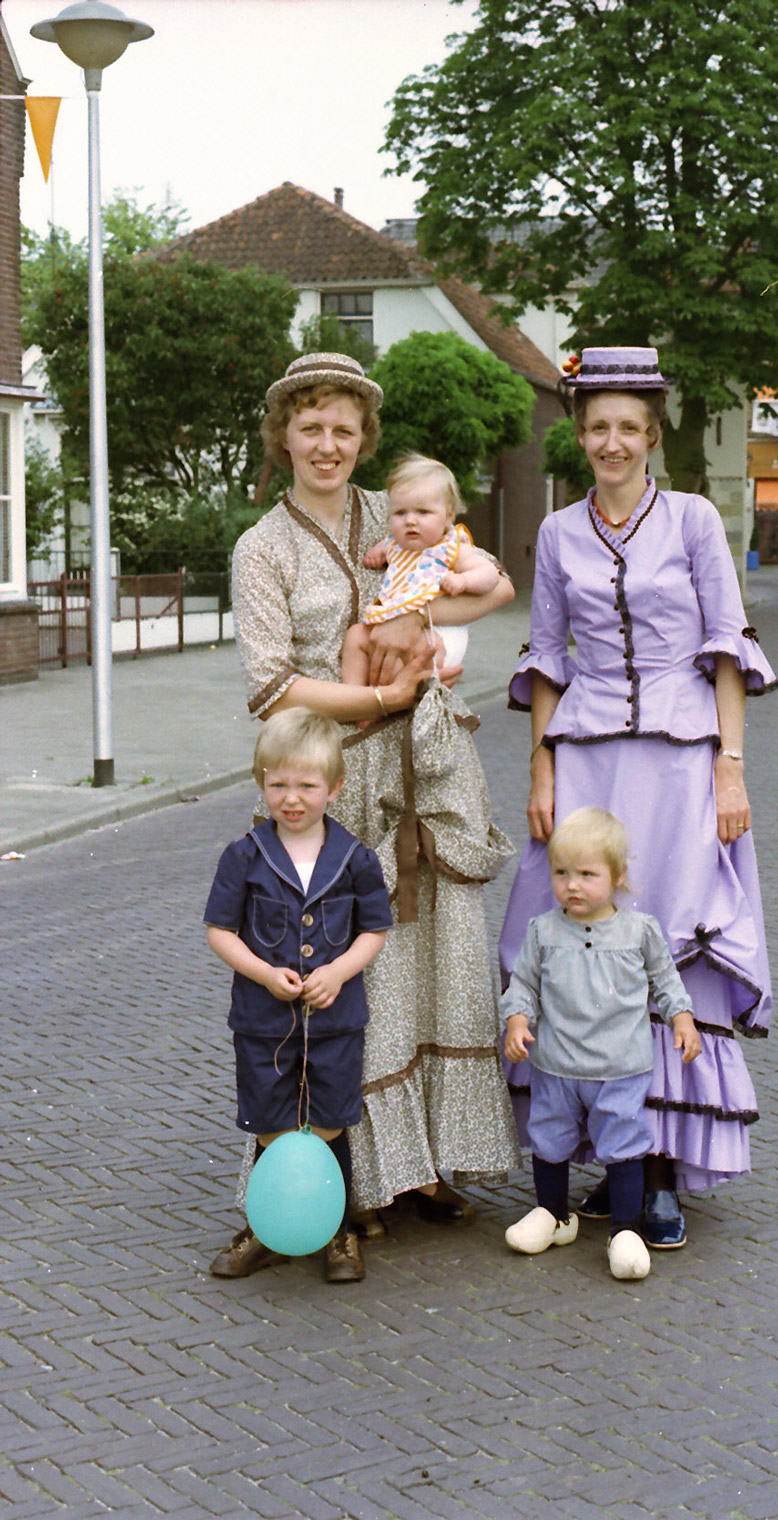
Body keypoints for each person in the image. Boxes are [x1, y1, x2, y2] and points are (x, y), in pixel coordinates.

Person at [223, 352, 520, 1276]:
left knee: (434, 954)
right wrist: (380, 704)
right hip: (325, 777)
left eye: (343, 430)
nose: (326, 445)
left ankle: (421, 1166)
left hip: (425, 766)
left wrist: (442, 638)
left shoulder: (389, 516)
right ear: (285, 436)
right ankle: (323, 1182)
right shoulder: (260, 548)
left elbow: (486, 573)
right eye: (310, 428)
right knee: (327, 976)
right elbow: (274, 689)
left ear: (364, 442)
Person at [498, 345, 777, 1252]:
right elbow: (545, 655)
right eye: (597, 427)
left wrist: (729, 764)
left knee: (667, 946)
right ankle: (585, 1160)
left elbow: (727, 646)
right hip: (585, 762)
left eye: (629, 427)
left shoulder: (694, 521)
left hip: (679, 765)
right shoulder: (558, 534)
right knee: (572, 940)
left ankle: (656, 1174)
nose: (612, 442)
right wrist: (541, 768)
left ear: (652, 435)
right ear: (579, 436)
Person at [205, 709, 392, 1282]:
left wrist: (339, 972)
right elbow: (219, 931)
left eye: (307, 786)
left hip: (335, 1022)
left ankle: (338, 1231)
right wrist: (263, 973)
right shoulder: (244, 855)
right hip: (264, 1023)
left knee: (332, 1121)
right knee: (271, 1121)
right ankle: (267, 1228)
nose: (292, 798)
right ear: (261, 781)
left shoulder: (356, 857)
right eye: (278, 784)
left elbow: (374, 931)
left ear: (333, 788)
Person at [502, 809, 701, 1281]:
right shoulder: (543, 931)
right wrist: (516, 1019)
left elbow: (665, 979)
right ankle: (553, 1214)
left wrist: (682, 1017)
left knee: (623, 1142)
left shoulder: (639, 931)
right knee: (549, 1139)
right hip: (557, 1065)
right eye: (561, 873)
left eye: (587, 875)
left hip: (620, 1067)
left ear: (618, 876)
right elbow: (523, 983)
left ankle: (624, 1230)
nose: (572, 885)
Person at [341, 453, 499, 680]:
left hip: (440, 628)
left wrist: (463, 581)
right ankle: (354, 699)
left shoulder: (450, 547)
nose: (410, 520)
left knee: (418, 653)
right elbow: (379, 550)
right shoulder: (394, 543)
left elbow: (490, 574)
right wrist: (375, 555)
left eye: (423, 512)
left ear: (449, 515)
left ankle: (395, 701)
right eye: (400, 513)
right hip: (395, 620)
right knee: (356, 636)